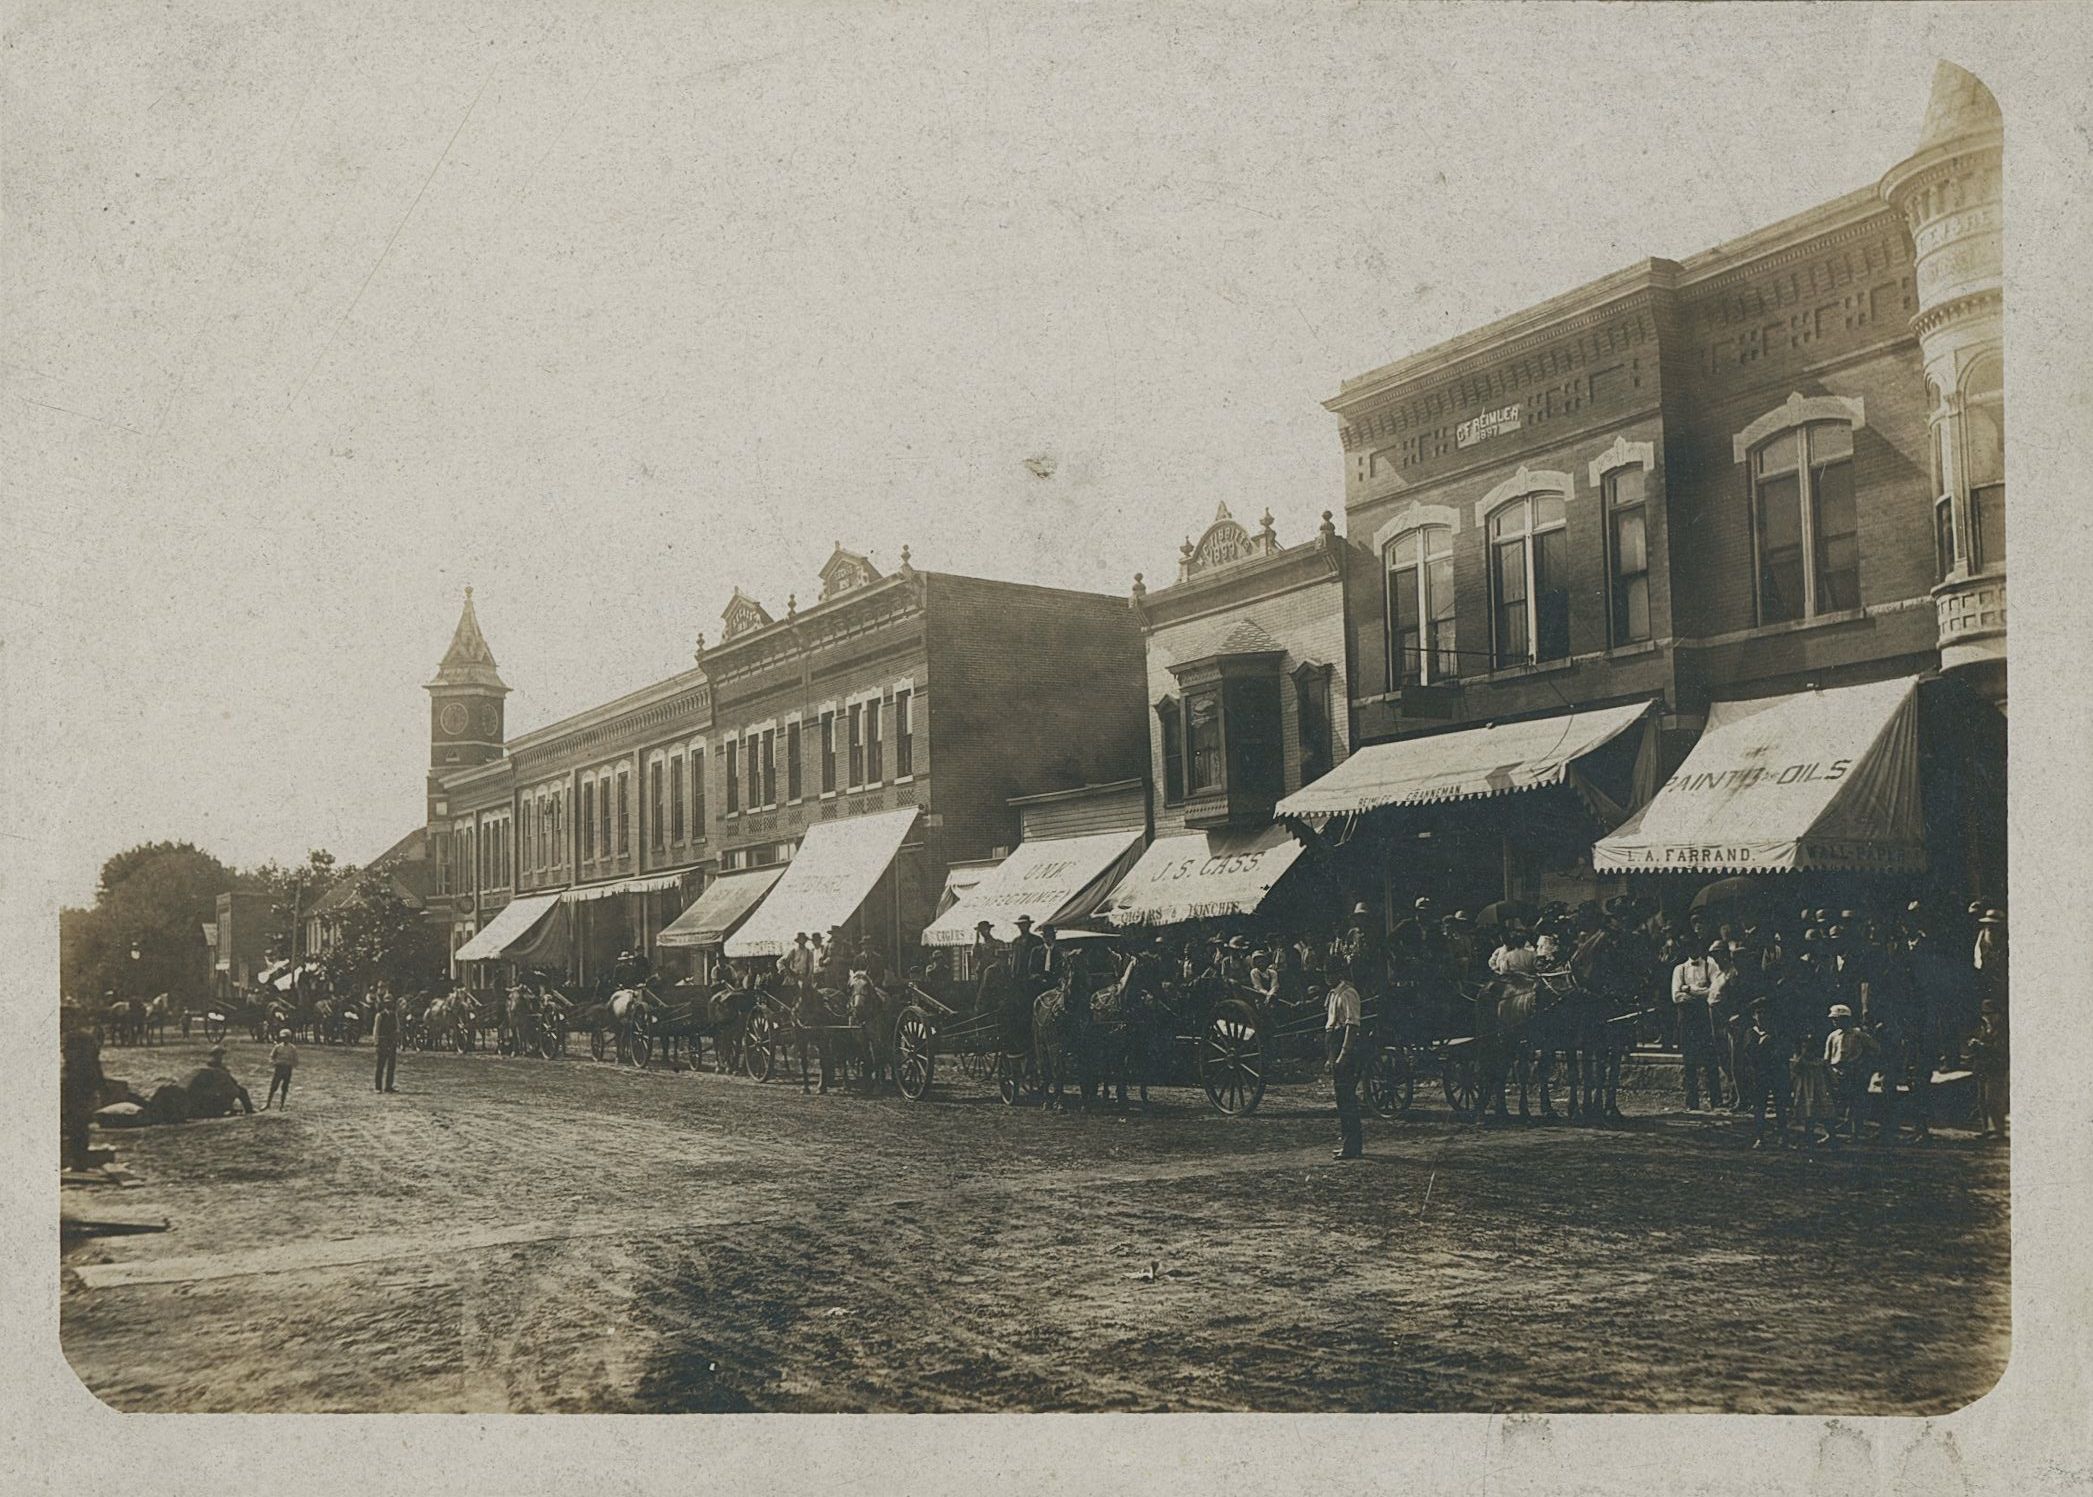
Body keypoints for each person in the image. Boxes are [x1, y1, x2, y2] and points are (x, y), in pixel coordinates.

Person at [1671, 942, 1721, 1111]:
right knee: (1689, 1061)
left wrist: (1689, 990)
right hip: (1686, 1020)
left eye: (1696, 947)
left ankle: (1716, 1100)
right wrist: (1700, 992)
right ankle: (1692, 1102)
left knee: (1710, 1060)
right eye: (1689, 947)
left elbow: (1714, 991)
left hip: (1704, 1019)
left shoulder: (1710, 966)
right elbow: (1676, 996)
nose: (1692, 950)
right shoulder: (1680, 969)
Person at [1325, 955, 1364, 1160]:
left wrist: (1343, 1054)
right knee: (1342, 1098)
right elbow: (1330, 1027)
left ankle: (1352, 1146)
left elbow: (1352, 1025)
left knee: (1347, 1098)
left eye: (1330, 974)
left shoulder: (1348, 994)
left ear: (1339, 974)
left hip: (1346, 1047)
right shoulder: (1333, 994)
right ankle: (1347, 1142)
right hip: (1336, 1043)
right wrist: (1330, 1058)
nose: (1327, 978)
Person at [1823, 1003, 1879, 1145]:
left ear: (1847, 1019)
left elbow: (1875, 1049)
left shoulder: (1858, 1035)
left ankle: (1855, 1135)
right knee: (1833, 1105)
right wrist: (1829, 1072)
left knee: (1855, 1105)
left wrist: (1864, 1066)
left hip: (1854, 1073)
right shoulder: (1833, 1036)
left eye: (1838, 1019)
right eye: (1834, 1019)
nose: (1835, 1022)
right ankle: (1832, 1135)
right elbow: (1827, 1057)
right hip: (1836, 1073)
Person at [59, 1021, 105, 1172]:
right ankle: (79, 1159)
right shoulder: (87, 1040)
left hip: (76, 1086)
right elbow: (97, 1067)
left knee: (75, 1124)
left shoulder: (75, 1040)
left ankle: (77, 1161)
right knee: (81, 1124)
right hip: (85, 1086)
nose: (64, 1052)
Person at [1742, 998, 1787, 1149]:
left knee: (1781, 1105)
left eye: (1764, 1013)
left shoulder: (1777, 1033)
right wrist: (1762, 1045)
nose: (1761, 1016)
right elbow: (1750, 1054)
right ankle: (1760, 1137)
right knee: (1759, 1106)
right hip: (1759, 1075)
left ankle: (1782, 1136)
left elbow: (1783, 1053)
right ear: (1753, 1016)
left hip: (1776, 1073)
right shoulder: (1750, 1033)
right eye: (1758, 1013)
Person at [1966, 999, 2009, 1140]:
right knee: (1982, 1101)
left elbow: (2000, 1050)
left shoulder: (2003, 1031)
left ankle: (1998, 1130)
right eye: (1984, 1014)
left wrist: (1981, 1045)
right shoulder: (1985, 1028)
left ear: (1998, 1014)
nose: (1987, 1017)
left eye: (1990, 1013)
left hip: (1996, 1069)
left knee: (1993, 1100)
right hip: (1982, 1068)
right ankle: (1986, 1129)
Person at [1788, 1032, 1835, 1151]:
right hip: (1806, 1091)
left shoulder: (1822, 1063)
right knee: (1808, 1116)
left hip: (1821, 1092)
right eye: (1805, 1047)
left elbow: (1831, 1076)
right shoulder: (1800, 1062)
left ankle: (1832, 1137)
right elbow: (1794, 1073)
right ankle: (1809, 1140)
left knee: (1825, 1114)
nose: (1808, 1051)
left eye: (1811, 1048)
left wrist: (1833, 1085)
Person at [372, 994, 400, 1093]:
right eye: (387, 1003)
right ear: (384, 1004)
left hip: (391, 1042)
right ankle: (378, 1087)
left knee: (391, 1065)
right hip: (383, 1041)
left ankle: (389, 1086)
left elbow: (397, 1028)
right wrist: (376, 1043)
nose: (389, 1004)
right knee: (380, 1065)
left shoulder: (394, 1015)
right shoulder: (380, 1015)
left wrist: (396, 1039)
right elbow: (376, 1030)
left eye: (390, 1003)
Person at [265, 1029, 298, 1110]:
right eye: (283, 1037)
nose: (285, 1039)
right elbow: (271, 1057)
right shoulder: (277, 1047)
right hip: (279, 1069)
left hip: (287, 1069)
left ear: (290, 1038)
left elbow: (295, 1060)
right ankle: (267, 1104)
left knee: (284, 1088)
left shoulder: (292, 1048)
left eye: (287, 1037)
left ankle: (281, 1106)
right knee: (273, 1087)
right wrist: (274, 1062)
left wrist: (291, 1064)